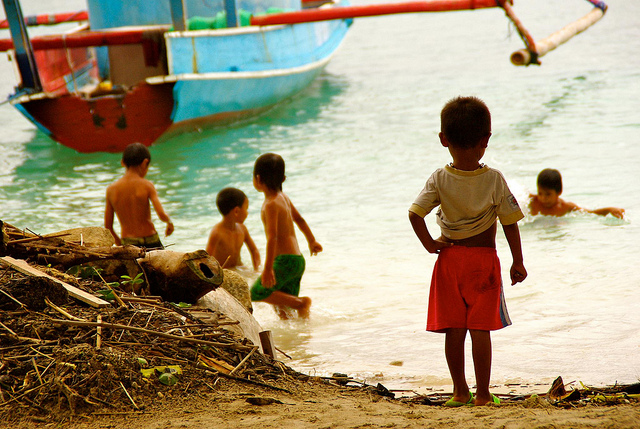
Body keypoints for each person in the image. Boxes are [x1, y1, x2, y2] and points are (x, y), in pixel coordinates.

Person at [408, 96, 527, 407]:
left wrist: (431, 244)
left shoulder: (439, 178)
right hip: (483, 263)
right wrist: (518, 261)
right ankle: (484, 395)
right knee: (480, 330)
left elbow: (414, 214)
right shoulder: (494, 179)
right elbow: (510, 223)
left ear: (443, 139)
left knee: (455, 330)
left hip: (449, 262)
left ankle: (460, 391)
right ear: (485, 140)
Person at [250, 153, 322, 319]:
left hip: (284, 262)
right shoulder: (284, 198)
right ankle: (300, 338)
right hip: (297, 260)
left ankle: (302, 303)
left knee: (256, 292)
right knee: (283, 309)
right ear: (283, 178)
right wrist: (312, 241)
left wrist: (268, 269)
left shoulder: (270, 204)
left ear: (258, 179)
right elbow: (299, 219)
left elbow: (272, 238)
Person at [105, 143, 174, 249]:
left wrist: (121, 245)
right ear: (145, 162)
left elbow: (108, 227)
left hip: (128, 243)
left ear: (123, 162)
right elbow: (161, 214)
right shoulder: (147, 185)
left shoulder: (111, 190)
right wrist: (169, 223)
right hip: (151, 241)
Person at [529, 168, 625, 218]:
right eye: (540, 193)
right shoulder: (532, 201)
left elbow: (590, 213)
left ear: (559, 192)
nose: (543, 198)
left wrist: (609, 209)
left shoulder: (565, 207)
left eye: (548, 194)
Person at [206, 187, 261, 270]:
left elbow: (254, 250)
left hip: (239, 268)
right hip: (224, 271)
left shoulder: (242, 229)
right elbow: (206, 259)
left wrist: (256, 270)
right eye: (246, 208)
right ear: (236, 211)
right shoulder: (217, 233)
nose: (247, 213)